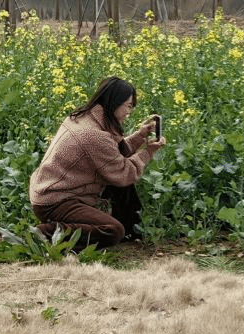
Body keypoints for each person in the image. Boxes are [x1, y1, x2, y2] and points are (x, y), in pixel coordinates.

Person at [29, 76, 166, 247]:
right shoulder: (94, 136)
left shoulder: (82, 118)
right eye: (129, 106)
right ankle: (45, 233)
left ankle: (131, 230)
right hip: (56, 202)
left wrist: (140, 136)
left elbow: (112, 155)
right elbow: (124, 173)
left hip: (49, 193)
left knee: (118, 180)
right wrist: (149, 152)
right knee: (112, 230)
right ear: (115, 102)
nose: (129, 112)